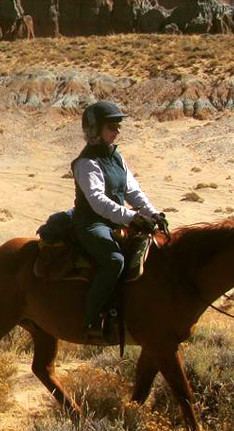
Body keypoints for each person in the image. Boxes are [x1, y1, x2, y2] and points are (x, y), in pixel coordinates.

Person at [71, 101, 161, 339]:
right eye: (112, 126)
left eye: (118, 126)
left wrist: (153, 214)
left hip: (116, 221)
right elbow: (98, 201)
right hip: (91, 224)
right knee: (114, 260)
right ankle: (91, 319)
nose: (118, 131)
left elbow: (133, 192)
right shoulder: (86, 163)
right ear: (94, 130)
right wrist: (132, 217)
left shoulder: (117, 157)